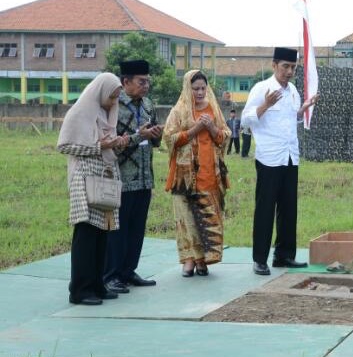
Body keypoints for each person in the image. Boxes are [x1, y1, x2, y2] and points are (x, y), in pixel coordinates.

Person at [242, 47, 318, 276]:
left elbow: (287, 120)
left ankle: (284, 255)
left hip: (290, 156)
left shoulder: (293, 90)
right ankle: (260, 259)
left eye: (293, 67)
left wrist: (301, 110)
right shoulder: (261, 88)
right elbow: (245, 118)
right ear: (274, 65)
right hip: (269, 157)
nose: (289, 71)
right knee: (265, 209)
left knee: (288, 207)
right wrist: (265, 105)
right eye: (285, 66)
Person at [57, 73, 128, 305]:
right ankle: (80, 290)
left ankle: (97, 285)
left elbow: (108, 147)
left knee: (101, 235)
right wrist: (101, 145)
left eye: (117, 97)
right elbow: (66, 145)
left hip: (104, 178)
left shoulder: (107, 113)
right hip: (84, 179)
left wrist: (117, 144)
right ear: (100, 92)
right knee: (86, 235)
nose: (113, 102)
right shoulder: (80, 112)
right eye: (112, 96)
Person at [163, 70, 230, 277]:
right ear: (187, 89)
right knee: (187, 220)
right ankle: (189, 260)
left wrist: (211, 128)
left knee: (208, 220)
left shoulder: (214, 110)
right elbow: (169, 138)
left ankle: (203, 261)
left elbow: (225, 136)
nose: (200, 92)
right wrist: (194, 129)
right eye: (195, 89)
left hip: (211, 175)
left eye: (203, 88)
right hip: (184, 178)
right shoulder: (178, 111)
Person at [104, 60, 161, 294]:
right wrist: (140, 135)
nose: (146, 86)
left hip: (145, 177)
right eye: (141, 81)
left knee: (137, 228)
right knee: (118, 229)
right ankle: (111, 274)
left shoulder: (147, 104)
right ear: (125, 82)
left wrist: (156, 135)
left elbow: (153, 139)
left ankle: (129, 271)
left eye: (148, 81)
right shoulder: (114, 105)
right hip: (121, 178)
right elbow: (112, 144)